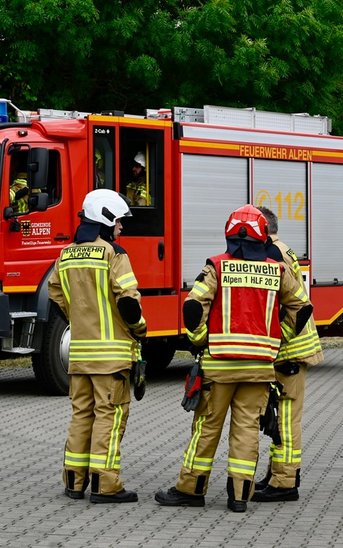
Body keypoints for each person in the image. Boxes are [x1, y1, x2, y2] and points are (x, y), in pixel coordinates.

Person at [154, 205, 313, 513]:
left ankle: (191, 489)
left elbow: (193, 307)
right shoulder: (277, 270)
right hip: (259, 369)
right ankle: (240, 496)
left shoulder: (216, 266)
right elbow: (302, 307)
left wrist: (201, 340)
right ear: (262, 235)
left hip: (219, 368)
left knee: (206, 428)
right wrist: (280, 337)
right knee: (247, 431)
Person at [47, 189, 147, 504]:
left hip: (78, 355)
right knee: (109, 417)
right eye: (119, 221)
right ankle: (106, 485)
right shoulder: (113, 253)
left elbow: (55, 293)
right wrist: (140, 329)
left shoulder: (65, 254)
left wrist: (78, 317)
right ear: (105, 220)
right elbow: (129, 302)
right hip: (111, 358)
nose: (122, 227)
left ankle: (74, 482)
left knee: (81, 415)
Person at [253, 207, 323, 502]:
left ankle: (284, 483)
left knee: (286, 419)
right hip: (290, 348)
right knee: (279, 416)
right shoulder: (280, 248)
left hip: (290, 351)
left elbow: (288, 307)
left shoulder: (273, 254)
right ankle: (277, 473)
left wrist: (276, 340)